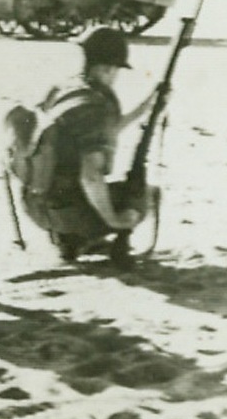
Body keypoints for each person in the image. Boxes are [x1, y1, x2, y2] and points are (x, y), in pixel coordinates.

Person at [13, 27, 159, 269]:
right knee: (145, 193)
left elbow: (91, 134)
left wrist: (143, 110)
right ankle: (106, 238)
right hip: (67, 212)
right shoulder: (98, 107)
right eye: (116, 71)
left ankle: (69, 240)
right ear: (107, 68)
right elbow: (90, 175)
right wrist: (113, 219)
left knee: (70, 184)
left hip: (35, 204)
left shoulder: (65, 90)